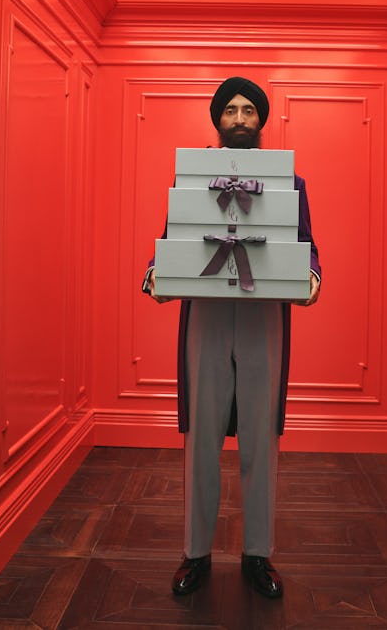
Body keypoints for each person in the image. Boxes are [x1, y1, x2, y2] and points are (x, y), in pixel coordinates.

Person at [143, 76, 320, 599]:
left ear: (261, 122)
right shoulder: (191, 178)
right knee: (201, 435)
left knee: (261, 436)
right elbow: (171, 238)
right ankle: (194, 554)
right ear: (217, 120)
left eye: (249, 111)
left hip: (264, 313)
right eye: (231, 110)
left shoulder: (293, 182)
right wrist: (155, 272)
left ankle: (257, 553)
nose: (240, 118)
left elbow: (307, 244)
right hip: (208, 313)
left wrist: (311, 276)